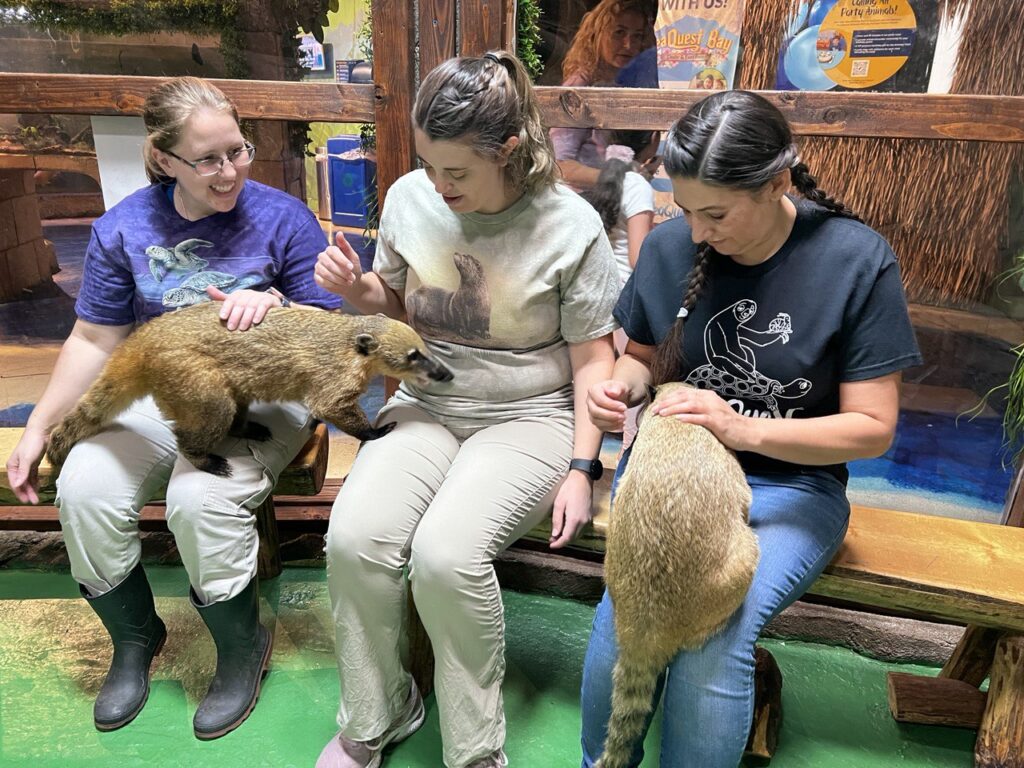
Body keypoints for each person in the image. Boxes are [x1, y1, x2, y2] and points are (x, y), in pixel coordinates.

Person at [580, 90, 923, 768]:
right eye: (685, 210)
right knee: (624, 616)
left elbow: (872, 428)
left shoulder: (855, 259)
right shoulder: (674, 247)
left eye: (716, 213)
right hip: (676, 482)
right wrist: (620, 388)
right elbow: (641, 357)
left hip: (793, 485)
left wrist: (742, 430)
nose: (698, 232)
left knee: (718, 633)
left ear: (776, 183)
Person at [4, 76, 341, 739]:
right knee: (84, 486)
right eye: (208, 160)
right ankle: (135, 637)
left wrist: (275, 309)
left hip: (264, 399)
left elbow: (330, 340)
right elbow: (94, 337)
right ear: (164, 159)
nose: (229, 173)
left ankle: (241, 648)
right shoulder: (124, 227)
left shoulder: (282, 218)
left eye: (237, 152)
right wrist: (38, 428)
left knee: (202, 499)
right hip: (165, 395)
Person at [313, 50, 618, 768]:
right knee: (354, 538)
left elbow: (592, 360)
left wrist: (583, 466)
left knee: (447, 556)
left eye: (457, 171)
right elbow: (396, 309)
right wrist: (363, 296)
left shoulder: (570, 226)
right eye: (428, 165)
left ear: (509, 150)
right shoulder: (411, 199)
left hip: (530, 415)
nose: (438, 185)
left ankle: (476, 748)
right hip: (427, 399)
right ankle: (376, 712)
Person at [551, 0, 658, 190]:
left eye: (637, 36)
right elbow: (559, 166)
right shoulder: (581, 85)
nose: (628, 44)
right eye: (619, 33)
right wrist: (623, 178)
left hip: (614, 202)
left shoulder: (628, 85)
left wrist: (641, 166)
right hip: (584, 204)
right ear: (597, 35)